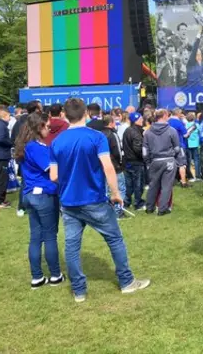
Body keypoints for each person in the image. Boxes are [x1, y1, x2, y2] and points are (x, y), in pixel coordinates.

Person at [49, 98, 149, 302]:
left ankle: (79, 291)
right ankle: (126, 281)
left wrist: (70, 179)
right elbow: (108, 167)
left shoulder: (57, 141)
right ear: (86, 113)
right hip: (94, 199)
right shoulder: (96, 137)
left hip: (68, 202)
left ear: (65, 115)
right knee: (114, 239)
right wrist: (115, 193)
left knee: (72, 246)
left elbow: (53, 176)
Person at [15, 112, 64, 289]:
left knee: (36, 237)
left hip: (30, 195)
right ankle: (55, 274)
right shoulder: (36, 147)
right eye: (47, 126)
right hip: (43, 195)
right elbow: (53, 173)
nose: (49, 129)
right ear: (39, 127)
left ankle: (37, 276)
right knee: (49, 236)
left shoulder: (27, 145)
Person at [143, 109, 186, 216]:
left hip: (154, 161)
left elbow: (144, 151)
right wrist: (176, 157)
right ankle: (162, 209)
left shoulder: (147, 132)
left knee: (153, 185)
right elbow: (177, 147)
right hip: (168, 161)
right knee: (166, 186)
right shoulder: (171, 131)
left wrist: (148, 162)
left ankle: (149, 207)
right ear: (165, 116)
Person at [101, 115, 126, 218]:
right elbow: (118, 151)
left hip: (102, 166)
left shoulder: (100, 134)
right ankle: (118, 211)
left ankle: (106, 212)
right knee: (120, 188)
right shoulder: (113, 134)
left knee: (106, 189)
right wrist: (120, 162)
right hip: (115, 166)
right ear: (111, 123)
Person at [123, 112, 145, 210]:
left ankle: (127, 201)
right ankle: (138, 202)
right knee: (138, 183)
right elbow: (138, 149)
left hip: (127, 161)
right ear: (136, 121)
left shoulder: (127, 130)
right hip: (136, 161)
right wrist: (145, 156)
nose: (142, 120)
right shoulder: (136, 132)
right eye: (140, 119)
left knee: (129, 184)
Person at [0, 105, 13, 209]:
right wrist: (10, 143)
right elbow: (0, 139)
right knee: (1, 178)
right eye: (9, 116)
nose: (10, 118)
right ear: (6, 115)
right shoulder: (1, 125)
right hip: (1, 155)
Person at [185, 112, 201, 180]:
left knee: (188, 160)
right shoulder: (197, 125)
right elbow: (200, 132)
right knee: (196, 160)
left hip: (188, 144)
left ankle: (190, 176)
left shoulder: (185, 125)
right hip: (195, 144)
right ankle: (197, 176)